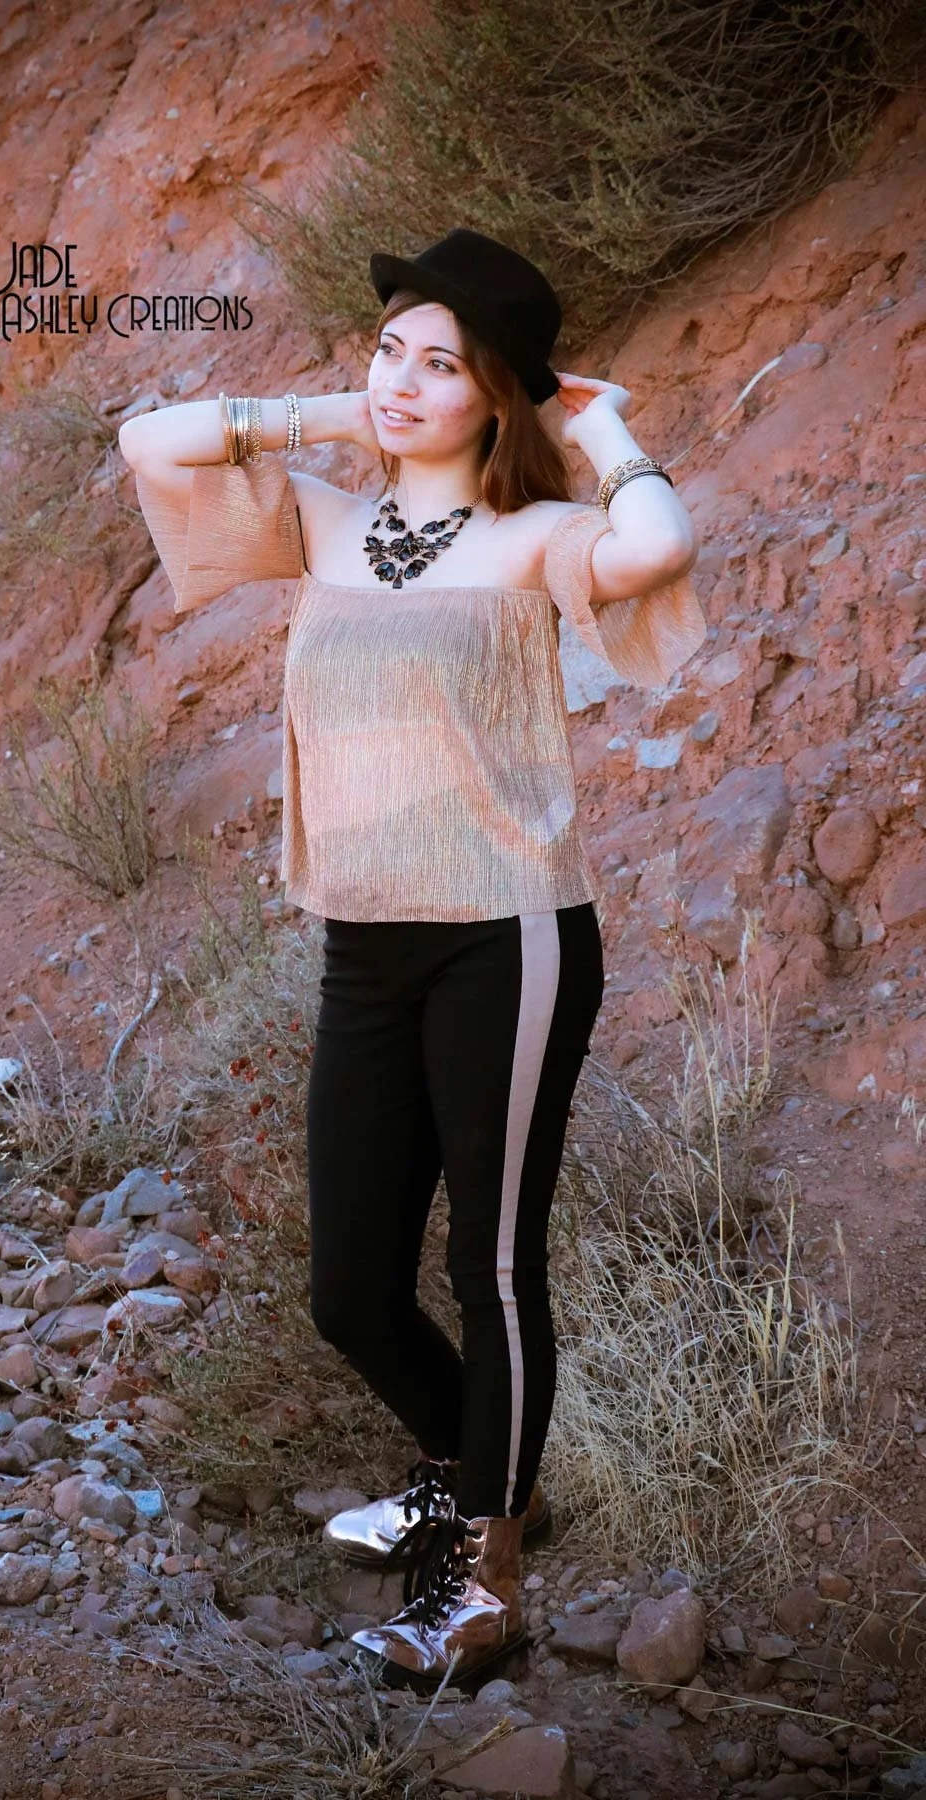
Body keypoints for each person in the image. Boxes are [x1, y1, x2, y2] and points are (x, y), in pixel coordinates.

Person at [117, 227, 708, 1692]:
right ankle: (483, 1477)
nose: (400, 379)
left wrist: (603, 423)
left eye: (440, 363)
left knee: (492, 1264)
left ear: (496, 397)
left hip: (507, 938)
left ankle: (478, 1585)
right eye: (390, 346)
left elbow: (658, 546)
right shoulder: (323, 522)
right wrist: (336, 409)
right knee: (351, 1290)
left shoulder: (527, 543)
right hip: (366, 950)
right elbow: (151, 437)